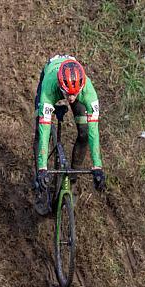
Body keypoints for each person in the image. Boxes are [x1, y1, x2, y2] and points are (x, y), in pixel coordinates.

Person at [32, 55, 105, 215]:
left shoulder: (88, 91)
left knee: (84, 132)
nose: (71, 98)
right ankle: (40, 186)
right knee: (40, 130)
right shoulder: (50, 86)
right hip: (51, 77)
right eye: (68, 94)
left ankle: (72, 181)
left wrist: (97, 166)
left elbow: (94, 131)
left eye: (74, 95)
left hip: (73, 85)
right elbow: (45, 132)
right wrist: (43, 169)